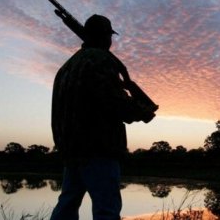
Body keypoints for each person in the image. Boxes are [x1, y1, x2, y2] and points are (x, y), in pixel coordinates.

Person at [50, 14, 156, 220]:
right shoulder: (101, 61)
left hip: (71, 150)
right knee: (106, 210)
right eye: (109, 36)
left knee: (67, 205)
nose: (111, 41)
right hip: (99, 149)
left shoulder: (67, 67)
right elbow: (116, 103)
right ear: (106, 37)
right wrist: (140, 111)